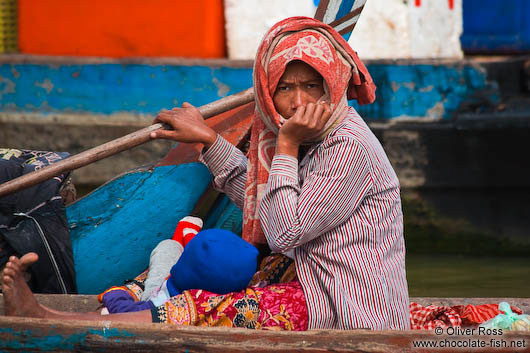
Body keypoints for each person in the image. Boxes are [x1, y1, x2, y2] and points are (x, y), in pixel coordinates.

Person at [1, 16, 409, 330]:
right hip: (308, 279)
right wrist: (209, 140)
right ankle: (94, 311)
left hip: (343, 307)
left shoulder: (345, 144)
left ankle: (48, 318)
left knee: (210, 305)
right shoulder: (303, 134)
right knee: (178, 270)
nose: (298, 101)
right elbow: (261, 202)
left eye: (311, 86)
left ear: (331, 86)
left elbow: (284, 231)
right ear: (269, 91)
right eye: (284, 88)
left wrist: (286, 146)